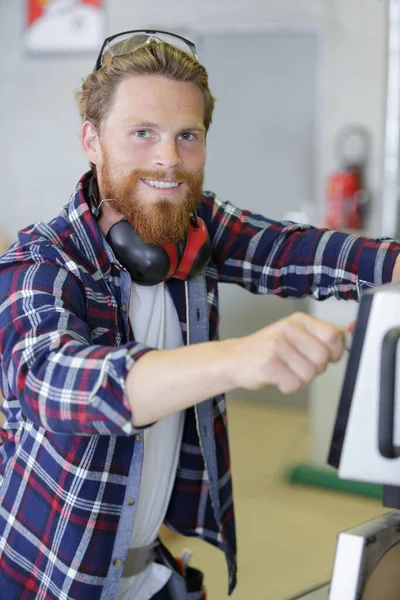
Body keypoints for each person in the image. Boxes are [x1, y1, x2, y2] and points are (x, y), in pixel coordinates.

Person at [0, 30, 399, 600]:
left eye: (187, 135)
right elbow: (57, 382)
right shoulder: (39, 263)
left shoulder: (194, 226)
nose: (168, 158)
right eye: (142, 133)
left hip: (151, 570)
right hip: (50, 580)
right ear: (92, 140)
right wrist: (239, 357)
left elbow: (302, 252)